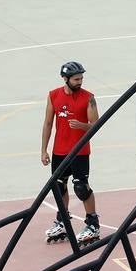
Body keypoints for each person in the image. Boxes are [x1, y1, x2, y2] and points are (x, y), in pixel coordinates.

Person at [41, 61, 101, 245]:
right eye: (76, 79)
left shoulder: (88, 98)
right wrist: (44, 150)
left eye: (81, 78)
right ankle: (63, 221)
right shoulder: (53, 96)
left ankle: (92, 223)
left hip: (80, 151)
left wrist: (82, 125)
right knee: (59, 188)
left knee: (81, 188)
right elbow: (48, 123)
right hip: (60, 151)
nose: (80, 82)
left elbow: (96, 125)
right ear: (65, 79)